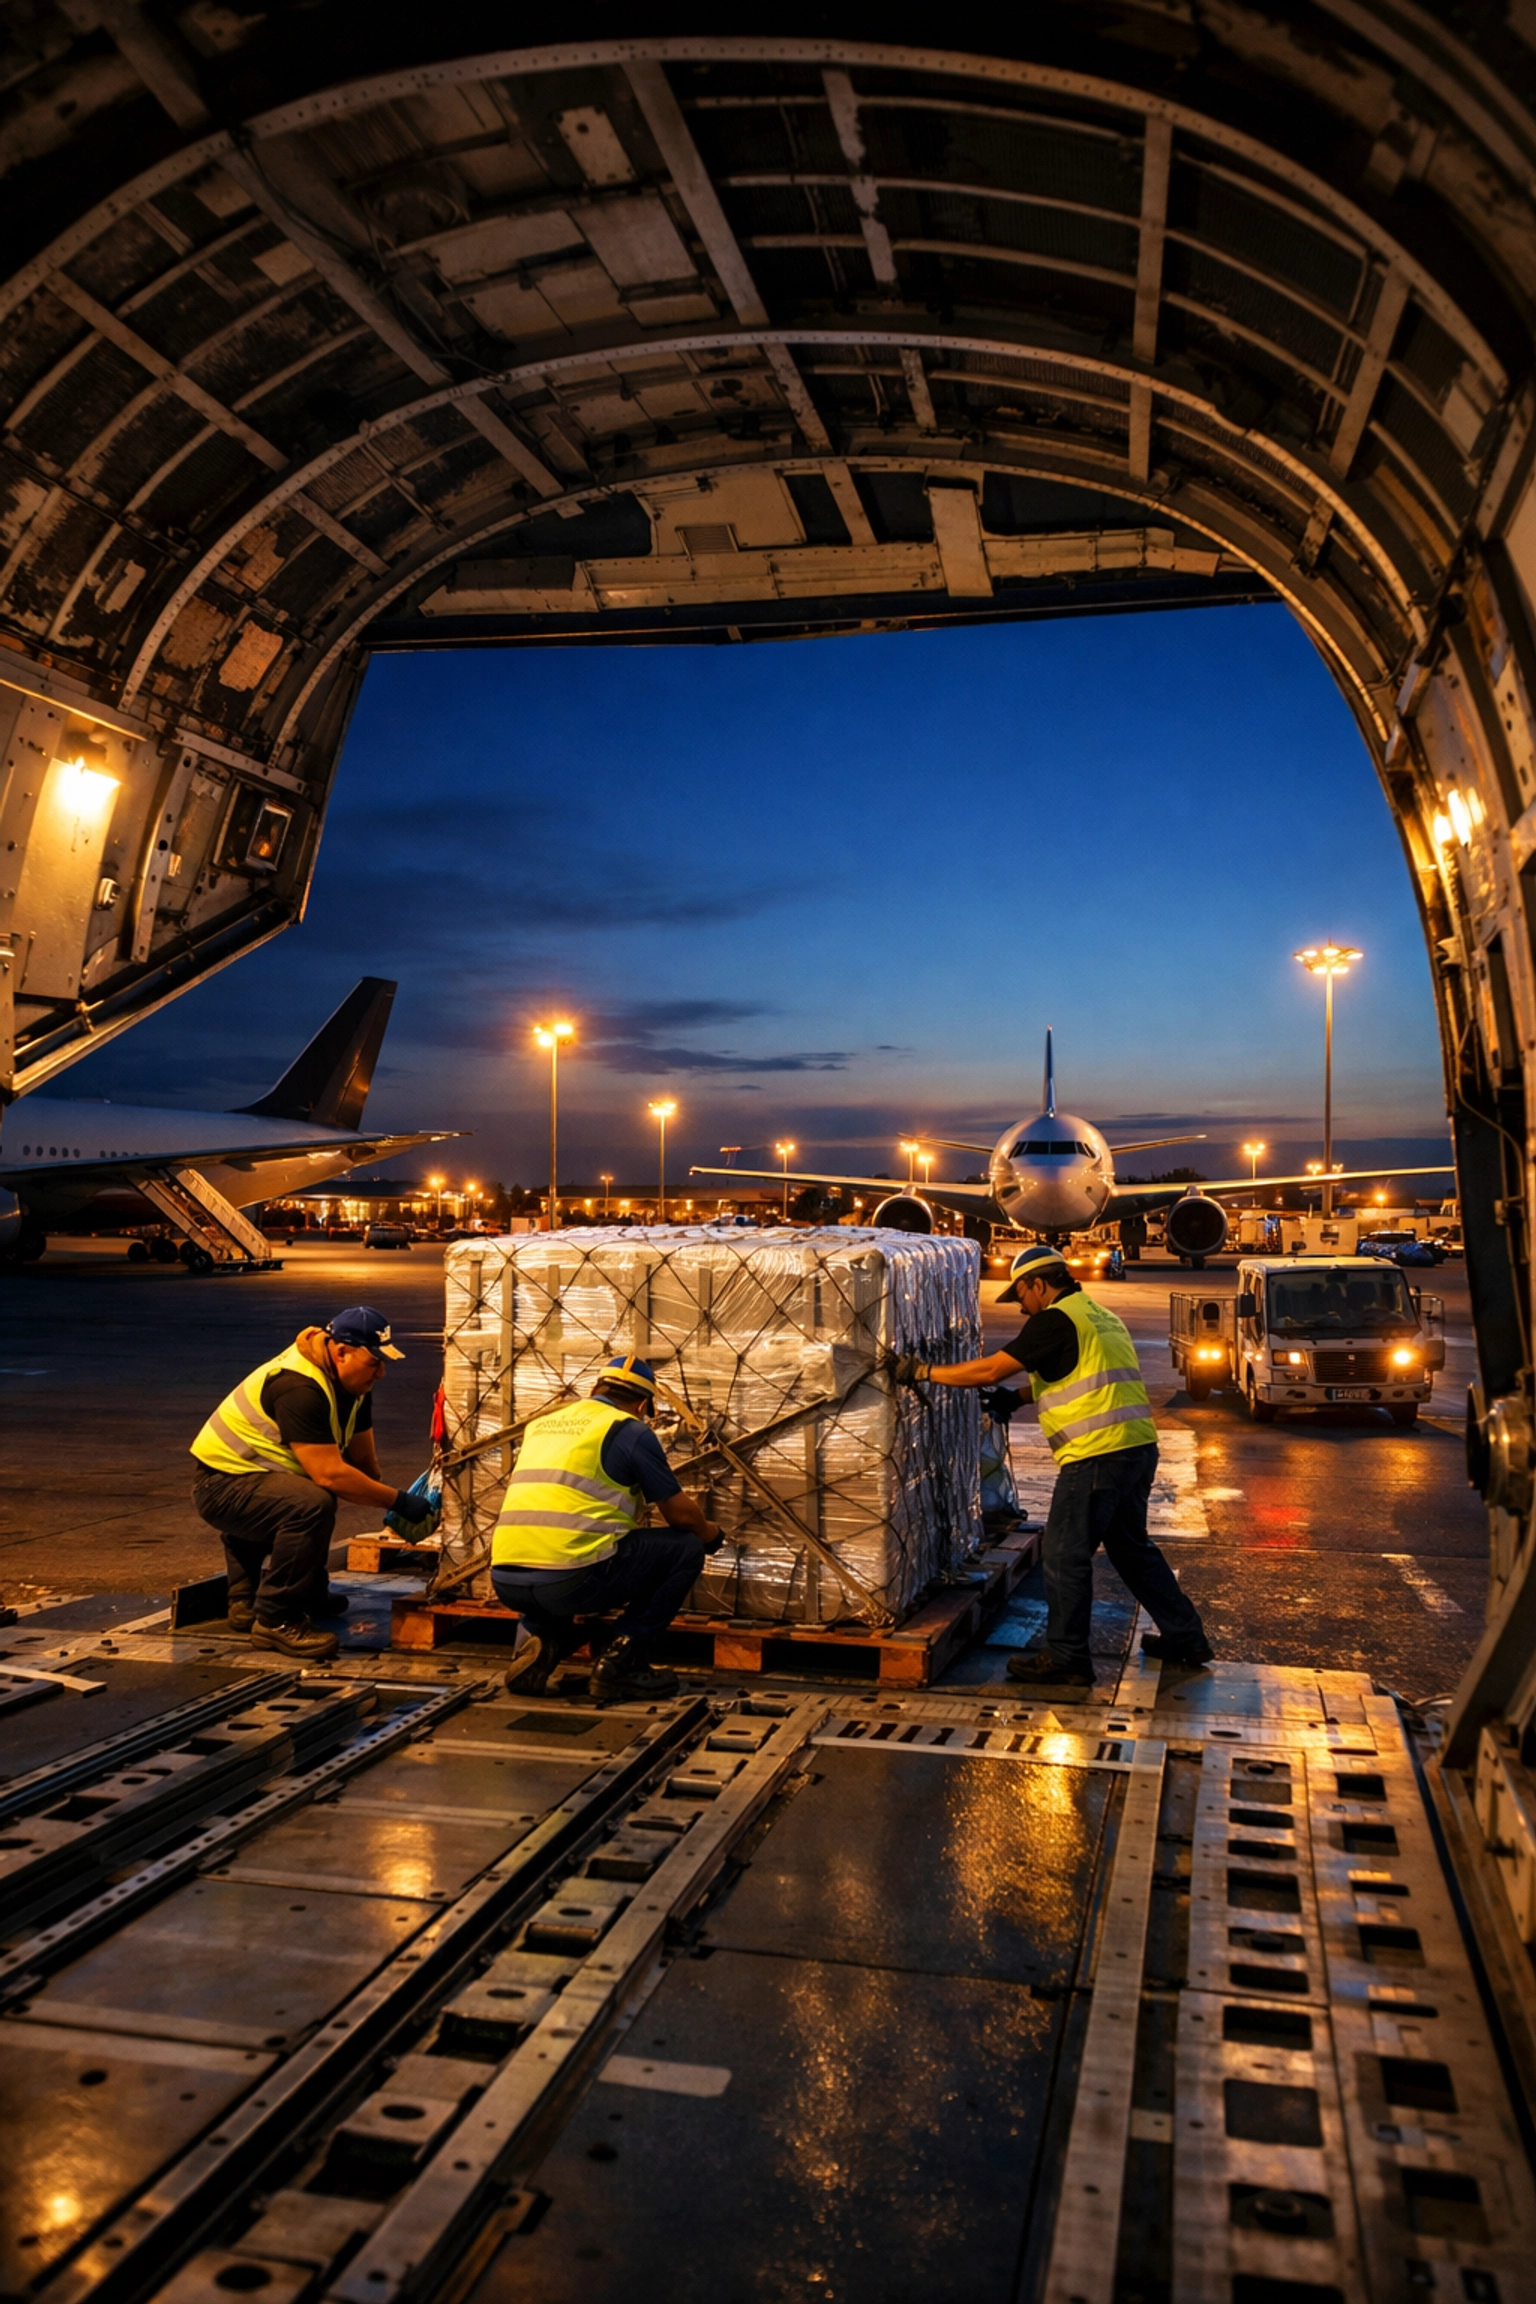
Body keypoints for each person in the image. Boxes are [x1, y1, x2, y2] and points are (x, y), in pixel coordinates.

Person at [893, 1242, 1212, 1686]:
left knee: (1064, 1555)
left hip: (1096, 1455)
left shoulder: (1053, 1320)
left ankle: (1067, 1658)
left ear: (1038, 1284)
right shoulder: (1100, 1316)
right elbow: (1079, 1374)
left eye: (1020, 1295)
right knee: (1132, 1550)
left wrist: (922, 1373)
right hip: (1137, 1449)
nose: (1021, 1307)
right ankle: (1186, 1637)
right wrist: (1019, 1398)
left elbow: (989, 1371)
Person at [190, 1305, 435, 1660]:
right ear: (341, 1352)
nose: (381, 1372)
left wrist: (404, 1497)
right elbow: (331, 1474)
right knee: (311, 1503)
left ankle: (264, 1598)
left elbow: (364, 1465)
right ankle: (276, 1620)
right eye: (374, 1362)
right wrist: (398, 1502)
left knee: (308, 1496)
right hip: (219, 1487)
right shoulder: (299, 1387)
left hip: (256, 1482)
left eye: (384, 1362)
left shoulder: (354, 1385)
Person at [490, 1353, 722, 1703]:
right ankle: (621, 1664)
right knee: (684, 1548)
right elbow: (680, 1515)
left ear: (596, 1388)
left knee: (561, 1550)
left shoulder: (543, 1425)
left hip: (506, 1580)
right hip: (570, 1580)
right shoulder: (628, 1430)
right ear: (642, 1404)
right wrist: (710, 1534)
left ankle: (542, 1639)